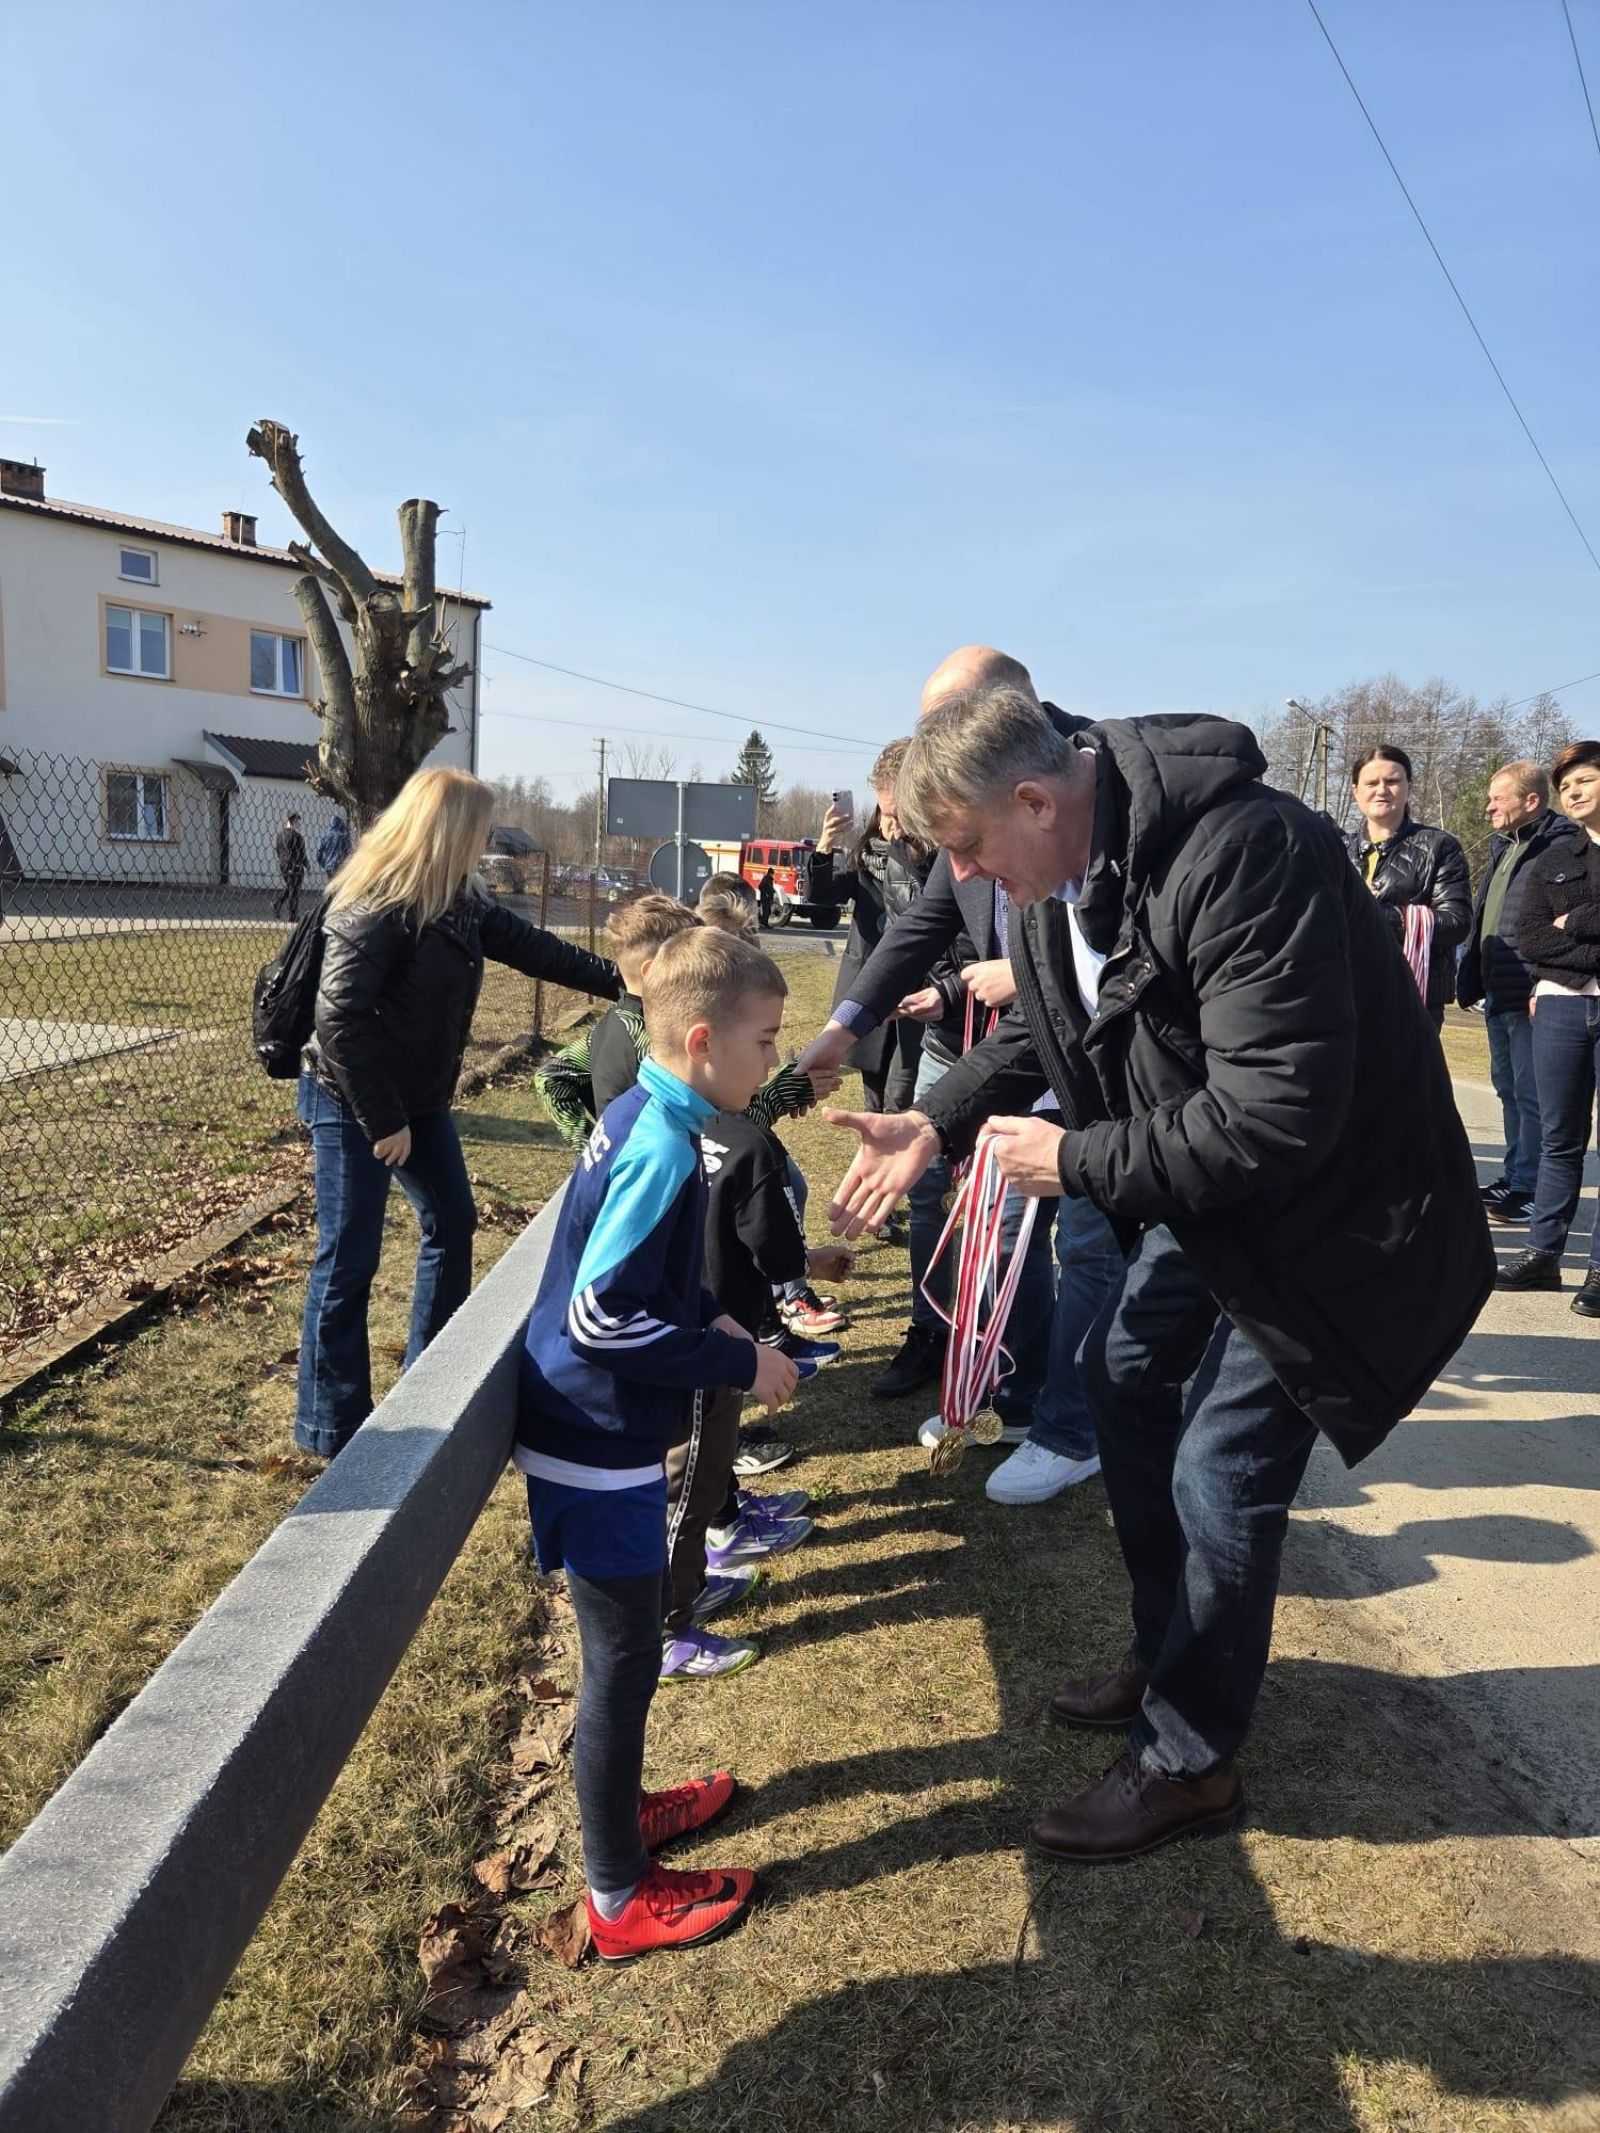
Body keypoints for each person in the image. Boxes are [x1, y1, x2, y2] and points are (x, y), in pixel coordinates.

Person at [826, 686, 1493, 1861]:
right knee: (1121, 1378)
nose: (966, 878)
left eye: (971, 848)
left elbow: (1276, 1110)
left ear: (1036, 800)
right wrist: (933, 1120)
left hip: (1337, 1214)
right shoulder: (1055, 882)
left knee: (1219, 1466)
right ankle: (1166, 1651)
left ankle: (1191, 1759)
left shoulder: (1248, 851)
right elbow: (1046, 1026)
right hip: (1218, 1193)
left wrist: (1075, 1161)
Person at [515, 926, 798, 1960]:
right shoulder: (664, 1146)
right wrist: (733, 1361)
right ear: (701, 1039)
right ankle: (617, 1891)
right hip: (591, 1437)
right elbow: (599, 1316)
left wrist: (712, 1318)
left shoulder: (650, 1109)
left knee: (629, 1653)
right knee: (625, 1658)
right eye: (763, 1041)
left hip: (600, 1429)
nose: (773, 1060)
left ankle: (620, 1816)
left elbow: (644, 1278)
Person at [798, 650, 1117, 1509]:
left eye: (944, 723)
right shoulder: (972, 807)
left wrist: (1036, 970)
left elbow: (1111, 954)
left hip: (1097, 1078)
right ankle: (1016, 1392)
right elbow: (924, 922)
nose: (929, 742)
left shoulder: (1100, 789)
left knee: (1092, 1247)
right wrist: (842, 1029)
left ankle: (1074, 1430)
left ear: (1005, 716)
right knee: (1001, 1234)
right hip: (1014, 1060)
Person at [293, 767, 621, 1460]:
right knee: (349, 1256)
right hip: (351, 1097)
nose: (487, 841)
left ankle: (428, 1384)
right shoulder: (375, 902)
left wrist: (625, 981)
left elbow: (536, 950)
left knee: (452, 1223)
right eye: (480, 828)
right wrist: (383, 1120)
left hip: (417, 1099)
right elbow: (339, 1019)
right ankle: (332, 1426)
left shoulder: (460, 902)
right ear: (446, 830)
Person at [1497, 739, 1600, 1315]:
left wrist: (1574, 921)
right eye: (1565, 786)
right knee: (1560, 1139)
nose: (1573, 792)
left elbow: (1558, 933)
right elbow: (1532, 939)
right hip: (1560, 1007)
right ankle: (1542, 1254)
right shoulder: (1554, 858)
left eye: (1584, 780)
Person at [1457, 761, 1582, 1224]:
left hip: (1533, 993)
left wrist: (1542, 982)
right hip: (1498, 989)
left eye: (1498, 798)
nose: (1489, 807)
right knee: (1508, 1090)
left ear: (1531, 800)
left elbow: (1558, 923)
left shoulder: (1561, 846)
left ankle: (1531, 1186)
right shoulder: (1506, 846)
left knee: (1532, 1095)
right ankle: (1514, 1175)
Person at [806, 739, 935, 1117]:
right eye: (884, 814)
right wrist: (825, 844)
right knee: (874, 1090)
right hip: (870, 983)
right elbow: (821, 897)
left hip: (913, 994)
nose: (890, 825)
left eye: (897, 815)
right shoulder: (864, 859)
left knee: (903, 1091)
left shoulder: (929, 860)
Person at [1344, 746, 1471, 1030]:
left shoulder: (1440, 847)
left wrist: (1379, 915)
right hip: (1342, 992)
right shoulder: (1337, 848)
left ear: (1409, 787)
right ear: (1355, 791)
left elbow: (1457, 923)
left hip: (1411, 998)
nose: (1381, 790)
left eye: (1392, 781)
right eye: (1371, 783)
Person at [273, 810, 309, 920]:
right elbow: (301, 854)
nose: (299, 823)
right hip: (295, 865)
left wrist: (283, 861)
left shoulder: (280, 835)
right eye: (298, 820)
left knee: (290, 886)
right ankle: (292, 915)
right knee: (295, 890)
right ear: (293, 821)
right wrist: (307, 865)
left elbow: (278, 850)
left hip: (283, 864)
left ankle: (278, 903)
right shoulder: (297, 837)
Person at [317, 811, 353, 878]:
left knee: (331, 882)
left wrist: (323, 863)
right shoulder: (343, 836)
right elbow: (349, 851)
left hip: (329, 866)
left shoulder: (326, 836)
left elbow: (319, 853)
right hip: (340, 866)